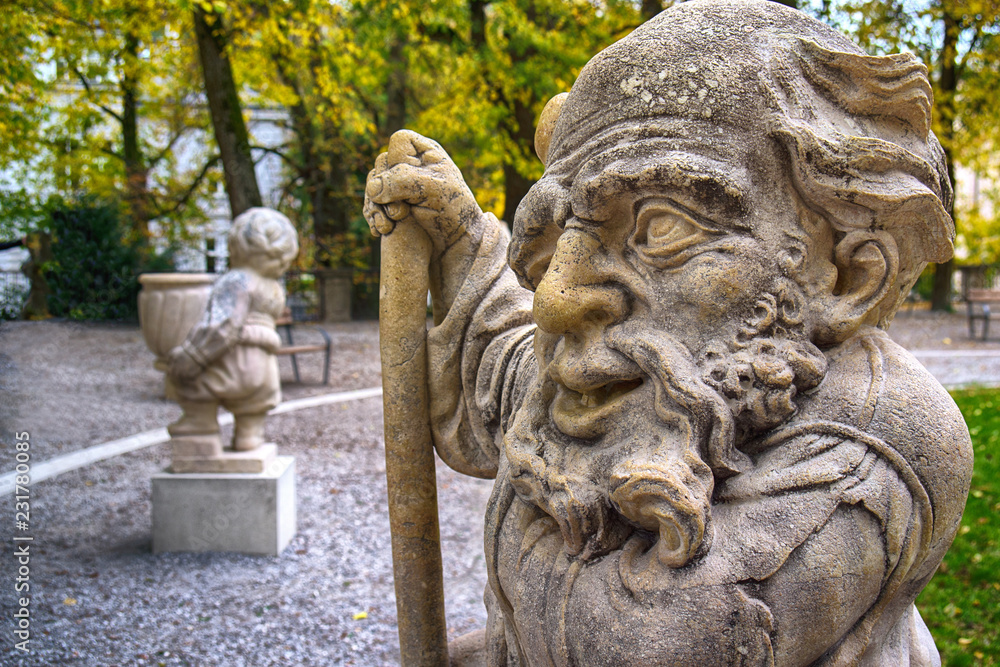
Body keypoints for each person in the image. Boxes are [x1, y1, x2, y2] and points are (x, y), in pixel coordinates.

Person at [365, 1, 973, 664]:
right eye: (561, 239)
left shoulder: (883, 436)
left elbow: (651, 639)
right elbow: (507, 372)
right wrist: (463, 240)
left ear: (851, 272)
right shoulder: (637, 376)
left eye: (660, 228)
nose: (556, 298)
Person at [167, 208, 298, 452]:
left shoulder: (237, 280)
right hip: (265, 372)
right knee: (252, 416)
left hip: (233, 365)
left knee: (188, 380)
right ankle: (249, 438)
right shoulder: (274, 288)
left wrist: (191, 357)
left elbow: (222, 327)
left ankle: (200, 428)